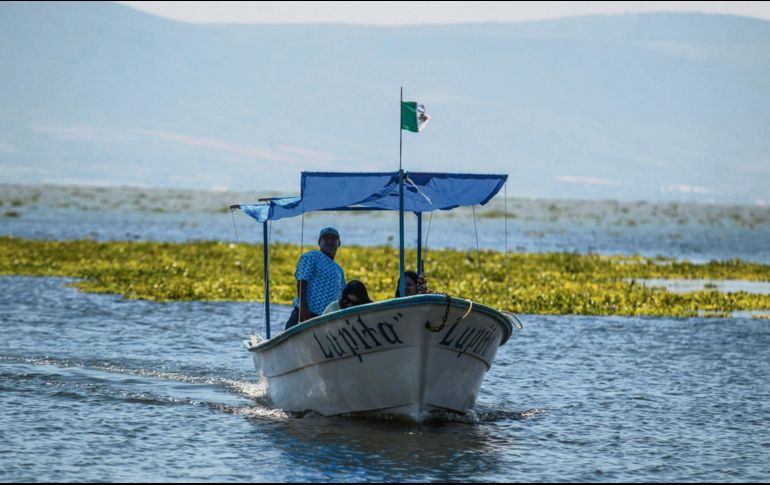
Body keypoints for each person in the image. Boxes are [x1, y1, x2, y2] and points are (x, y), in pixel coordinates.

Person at [284, 227, 346, 329]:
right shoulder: (312, 256)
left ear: (338, 243)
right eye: (326, 238)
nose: (330, 241)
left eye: (333, 238)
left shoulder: (339, 270)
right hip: (304, 313)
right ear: (319, 242)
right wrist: (304, 310)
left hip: (324, 319)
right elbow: (302, 280)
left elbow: (342, 295)